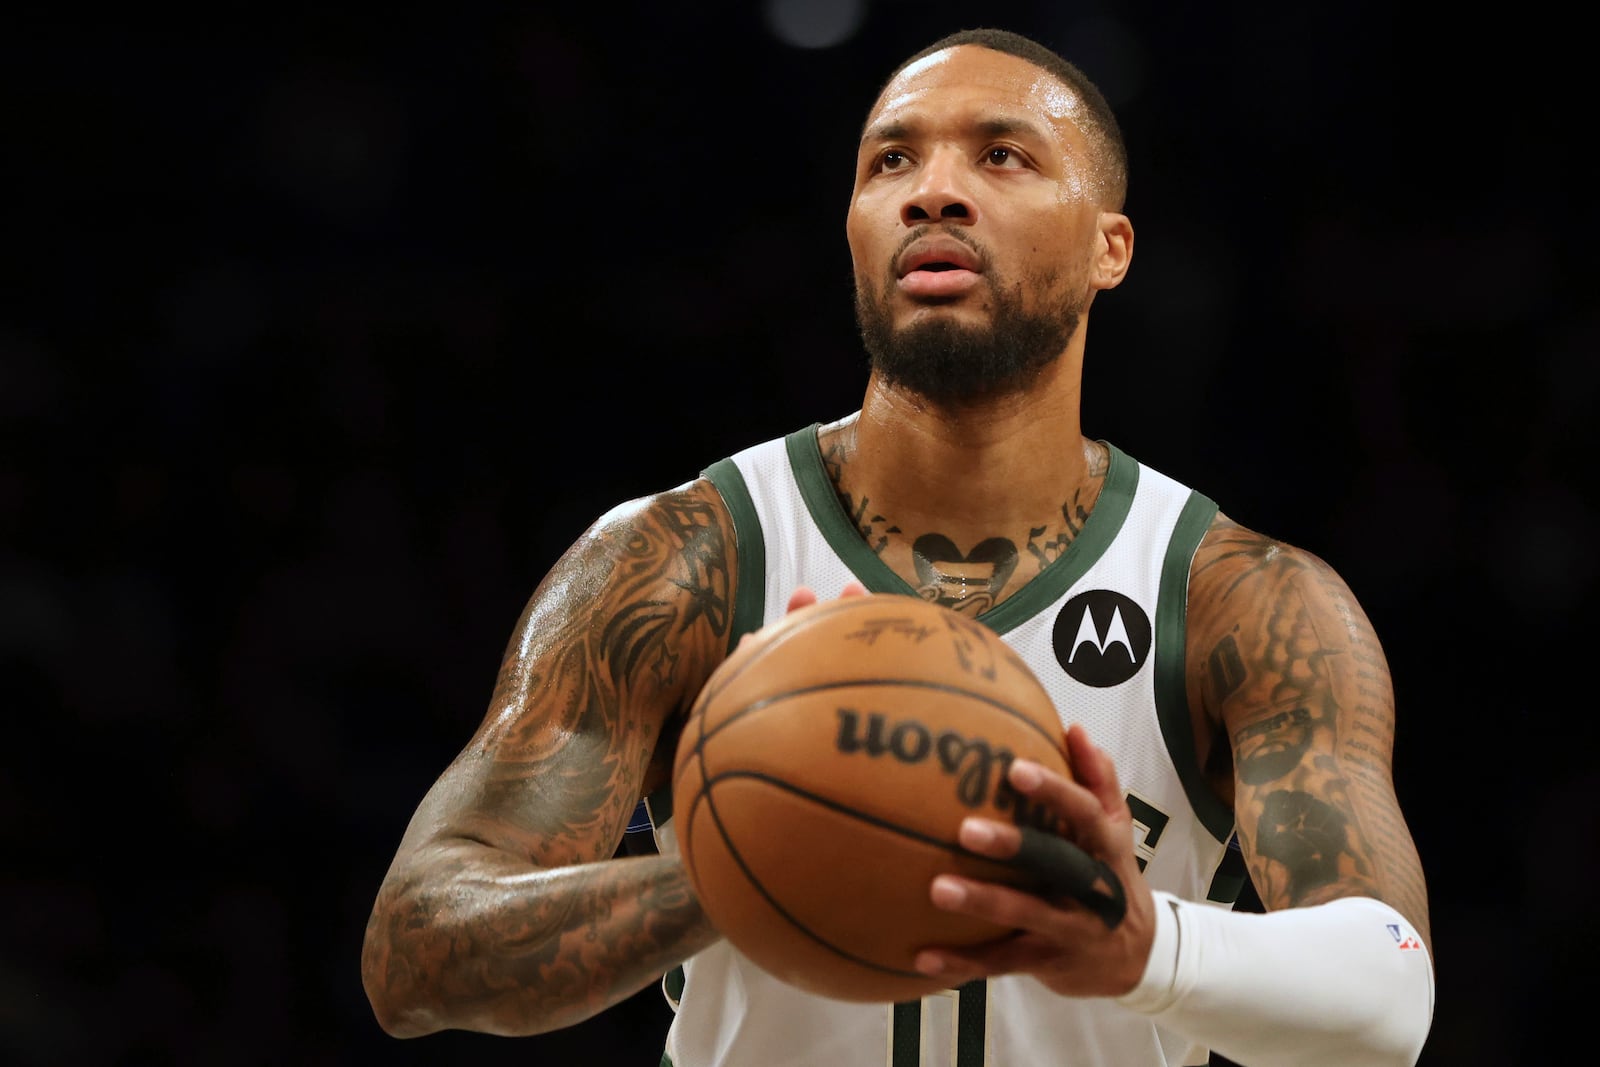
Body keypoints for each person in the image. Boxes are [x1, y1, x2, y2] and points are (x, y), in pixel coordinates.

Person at [360, 26, 1435, 1066]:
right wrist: (741, 864)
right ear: (854, 226)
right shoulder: (683, 558)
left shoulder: (1240, 597)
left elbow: (1388, 995)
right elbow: (414, 949)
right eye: (891, 160)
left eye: (1002, 154)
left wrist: (1148, 945)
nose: (933, 189)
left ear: (1110, 247)